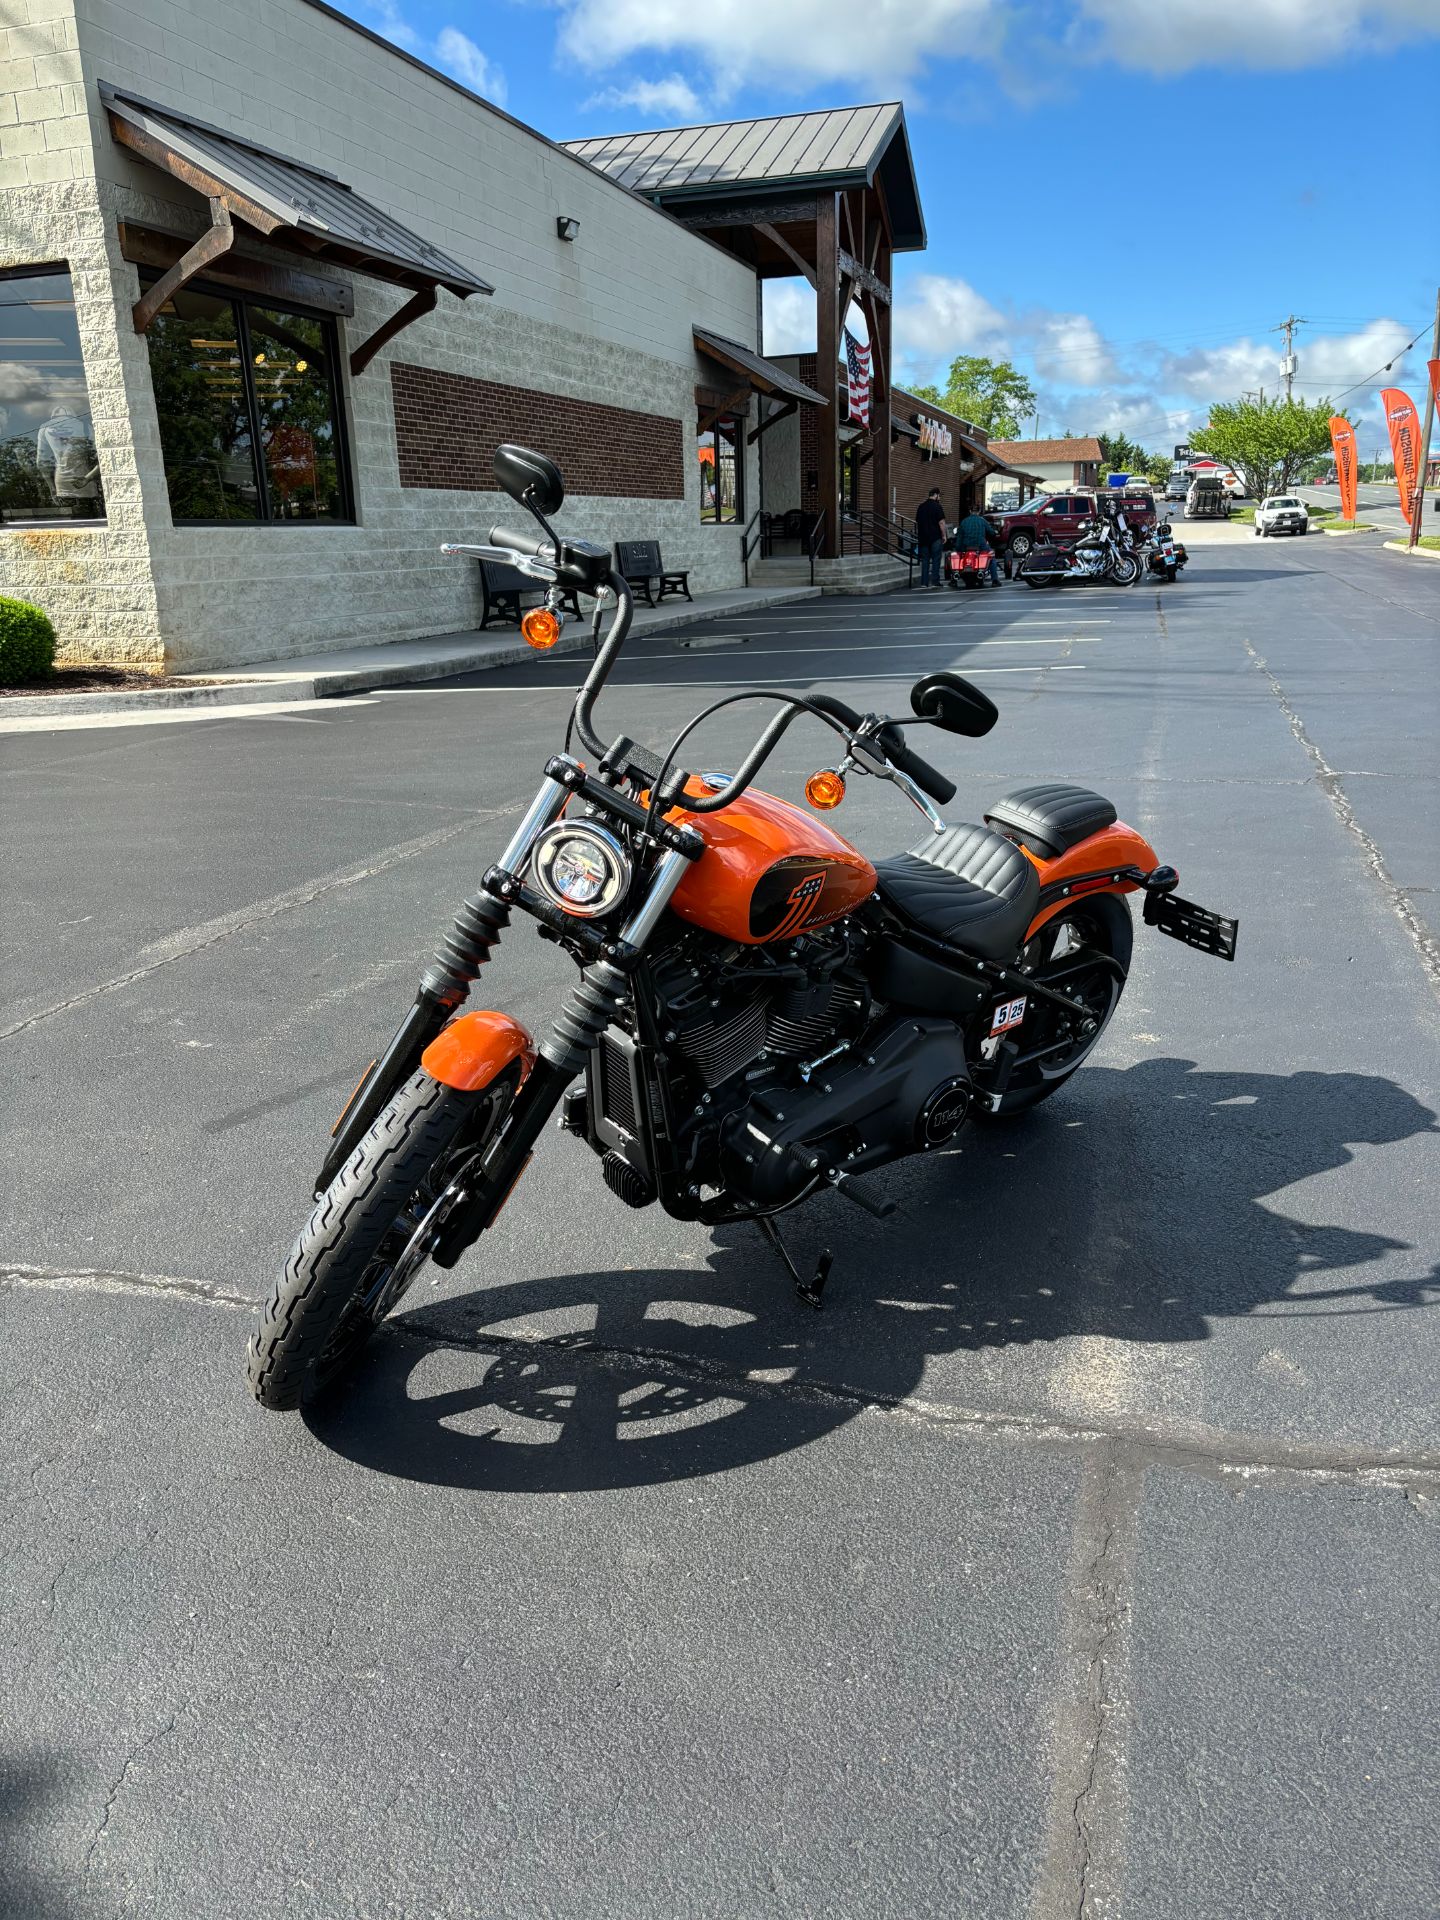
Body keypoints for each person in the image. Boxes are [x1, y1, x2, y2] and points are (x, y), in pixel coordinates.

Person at [956, 504, 999, 584]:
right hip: (980, 545)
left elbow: (959, 537)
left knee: (958, 557)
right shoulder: (982, 521)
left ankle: (953, 580)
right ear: (979, 511)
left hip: (966, 546)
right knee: (991, 557)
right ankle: (995, 580)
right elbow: (991, 533)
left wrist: (958, 549)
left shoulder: (964, 521)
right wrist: (994, 533)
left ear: (970, 511)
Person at [914, 487, 946, 588]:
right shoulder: (937, 506)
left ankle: (924, 582)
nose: (939, 497)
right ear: (935, 495)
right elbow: (941, 522)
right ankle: (935, 581)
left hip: (923, 538)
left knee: (925, 560)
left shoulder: (921, 507)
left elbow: (917, 522)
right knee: (936, 559)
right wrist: (944, 535)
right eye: (939, 495)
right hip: (935, 537)